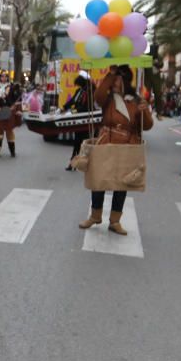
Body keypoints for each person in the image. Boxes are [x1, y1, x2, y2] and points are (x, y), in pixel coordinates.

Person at [78, 65, 153, 235]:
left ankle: (115, 221)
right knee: (99, 180)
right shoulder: (108, 99)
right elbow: (97, 97)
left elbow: (147, 126)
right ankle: (95, 216)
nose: (116, 82)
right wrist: (110, 75)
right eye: (114, 79)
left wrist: (145, 111)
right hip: (106, 141)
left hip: (127, 144)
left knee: (122, 183)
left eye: (119, 78)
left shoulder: (135, 100)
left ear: (125, 80)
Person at [63, 70, 94, 171]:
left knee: (84, 143)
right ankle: (73, 163)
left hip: (85, 121)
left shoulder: (89, 92)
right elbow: (72, 100)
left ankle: (84, 163)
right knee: (77, 142)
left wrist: (74, 111)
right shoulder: (79, 91)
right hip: (78, 119)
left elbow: (87, 107)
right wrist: (64, 107)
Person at [0, 71, 22, 157]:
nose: (4, 78)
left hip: (9, 112)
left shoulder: (12, 88)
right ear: (0, 77)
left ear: (8, 77)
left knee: (9, 131)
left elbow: (17, 100)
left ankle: (12, 151)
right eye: (2, 76)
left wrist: (18, 110)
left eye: (5, 76)